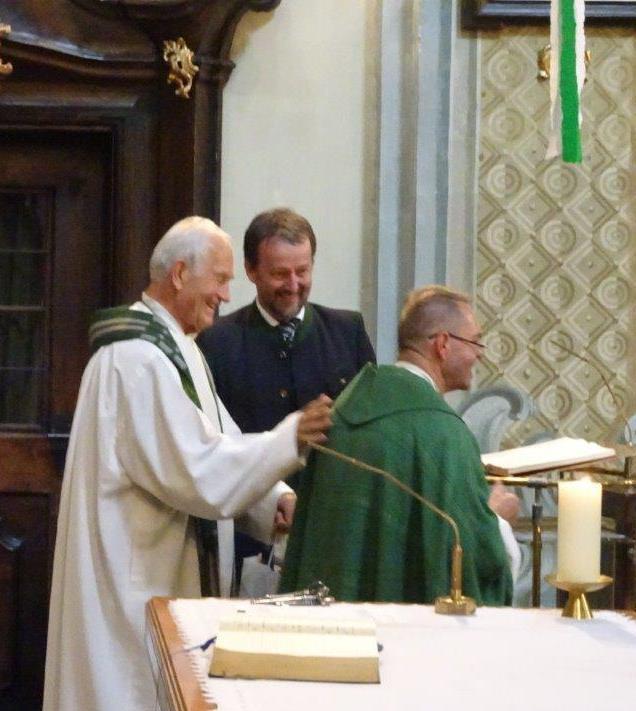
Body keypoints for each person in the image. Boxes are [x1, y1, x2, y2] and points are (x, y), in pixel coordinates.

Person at [43, 216, 331, 711]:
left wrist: (274, 500)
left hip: (155, 573)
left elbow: (219, 440)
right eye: (219, 279)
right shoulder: (137, 359)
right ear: (179, 274)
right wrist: (290, 438)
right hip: (135, 582)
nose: (225, 294)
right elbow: (197, 471)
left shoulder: (176, 349)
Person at [281, 285, 519, 606]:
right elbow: (473, 557)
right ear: (443, 344)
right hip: (412, 629)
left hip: (338, 624)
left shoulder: (341, 416)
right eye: (475, 341)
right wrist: (498, 520)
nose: (479, 353)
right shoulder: (444, 435)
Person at [197, 207, 376, 440]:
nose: (293, 285)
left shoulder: (348, 332)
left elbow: (372, 425)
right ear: (251, 270)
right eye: (280, 274)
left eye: (302, 271)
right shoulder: (216, 342)